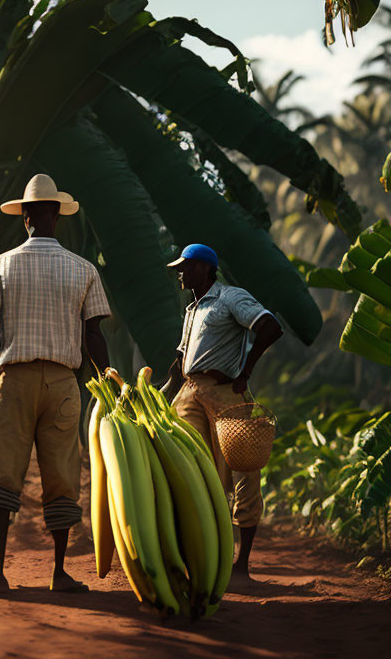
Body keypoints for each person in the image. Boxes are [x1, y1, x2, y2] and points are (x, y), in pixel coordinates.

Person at [0, 174, 111, 597]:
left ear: (24, 217)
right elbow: (94, 335)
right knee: (62, 477)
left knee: (1, 474)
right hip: (65, 384)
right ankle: (60, 573)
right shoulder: (83, 269)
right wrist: (108, 383)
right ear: (58, 217)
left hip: (13, 382)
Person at [160, 243, 283, 582]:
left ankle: (241, 565)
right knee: (189, 469)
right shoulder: (193, 309)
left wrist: (245, 372)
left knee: (242, 471)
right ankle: (197, 558)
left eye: (185, 268)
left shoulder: (230, 297)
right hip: (189, 392)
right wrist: (163, 392)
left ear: (204, 268)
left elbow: (270, 327)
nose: (180, 274)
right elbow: (181, 359)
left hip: (225, 392)